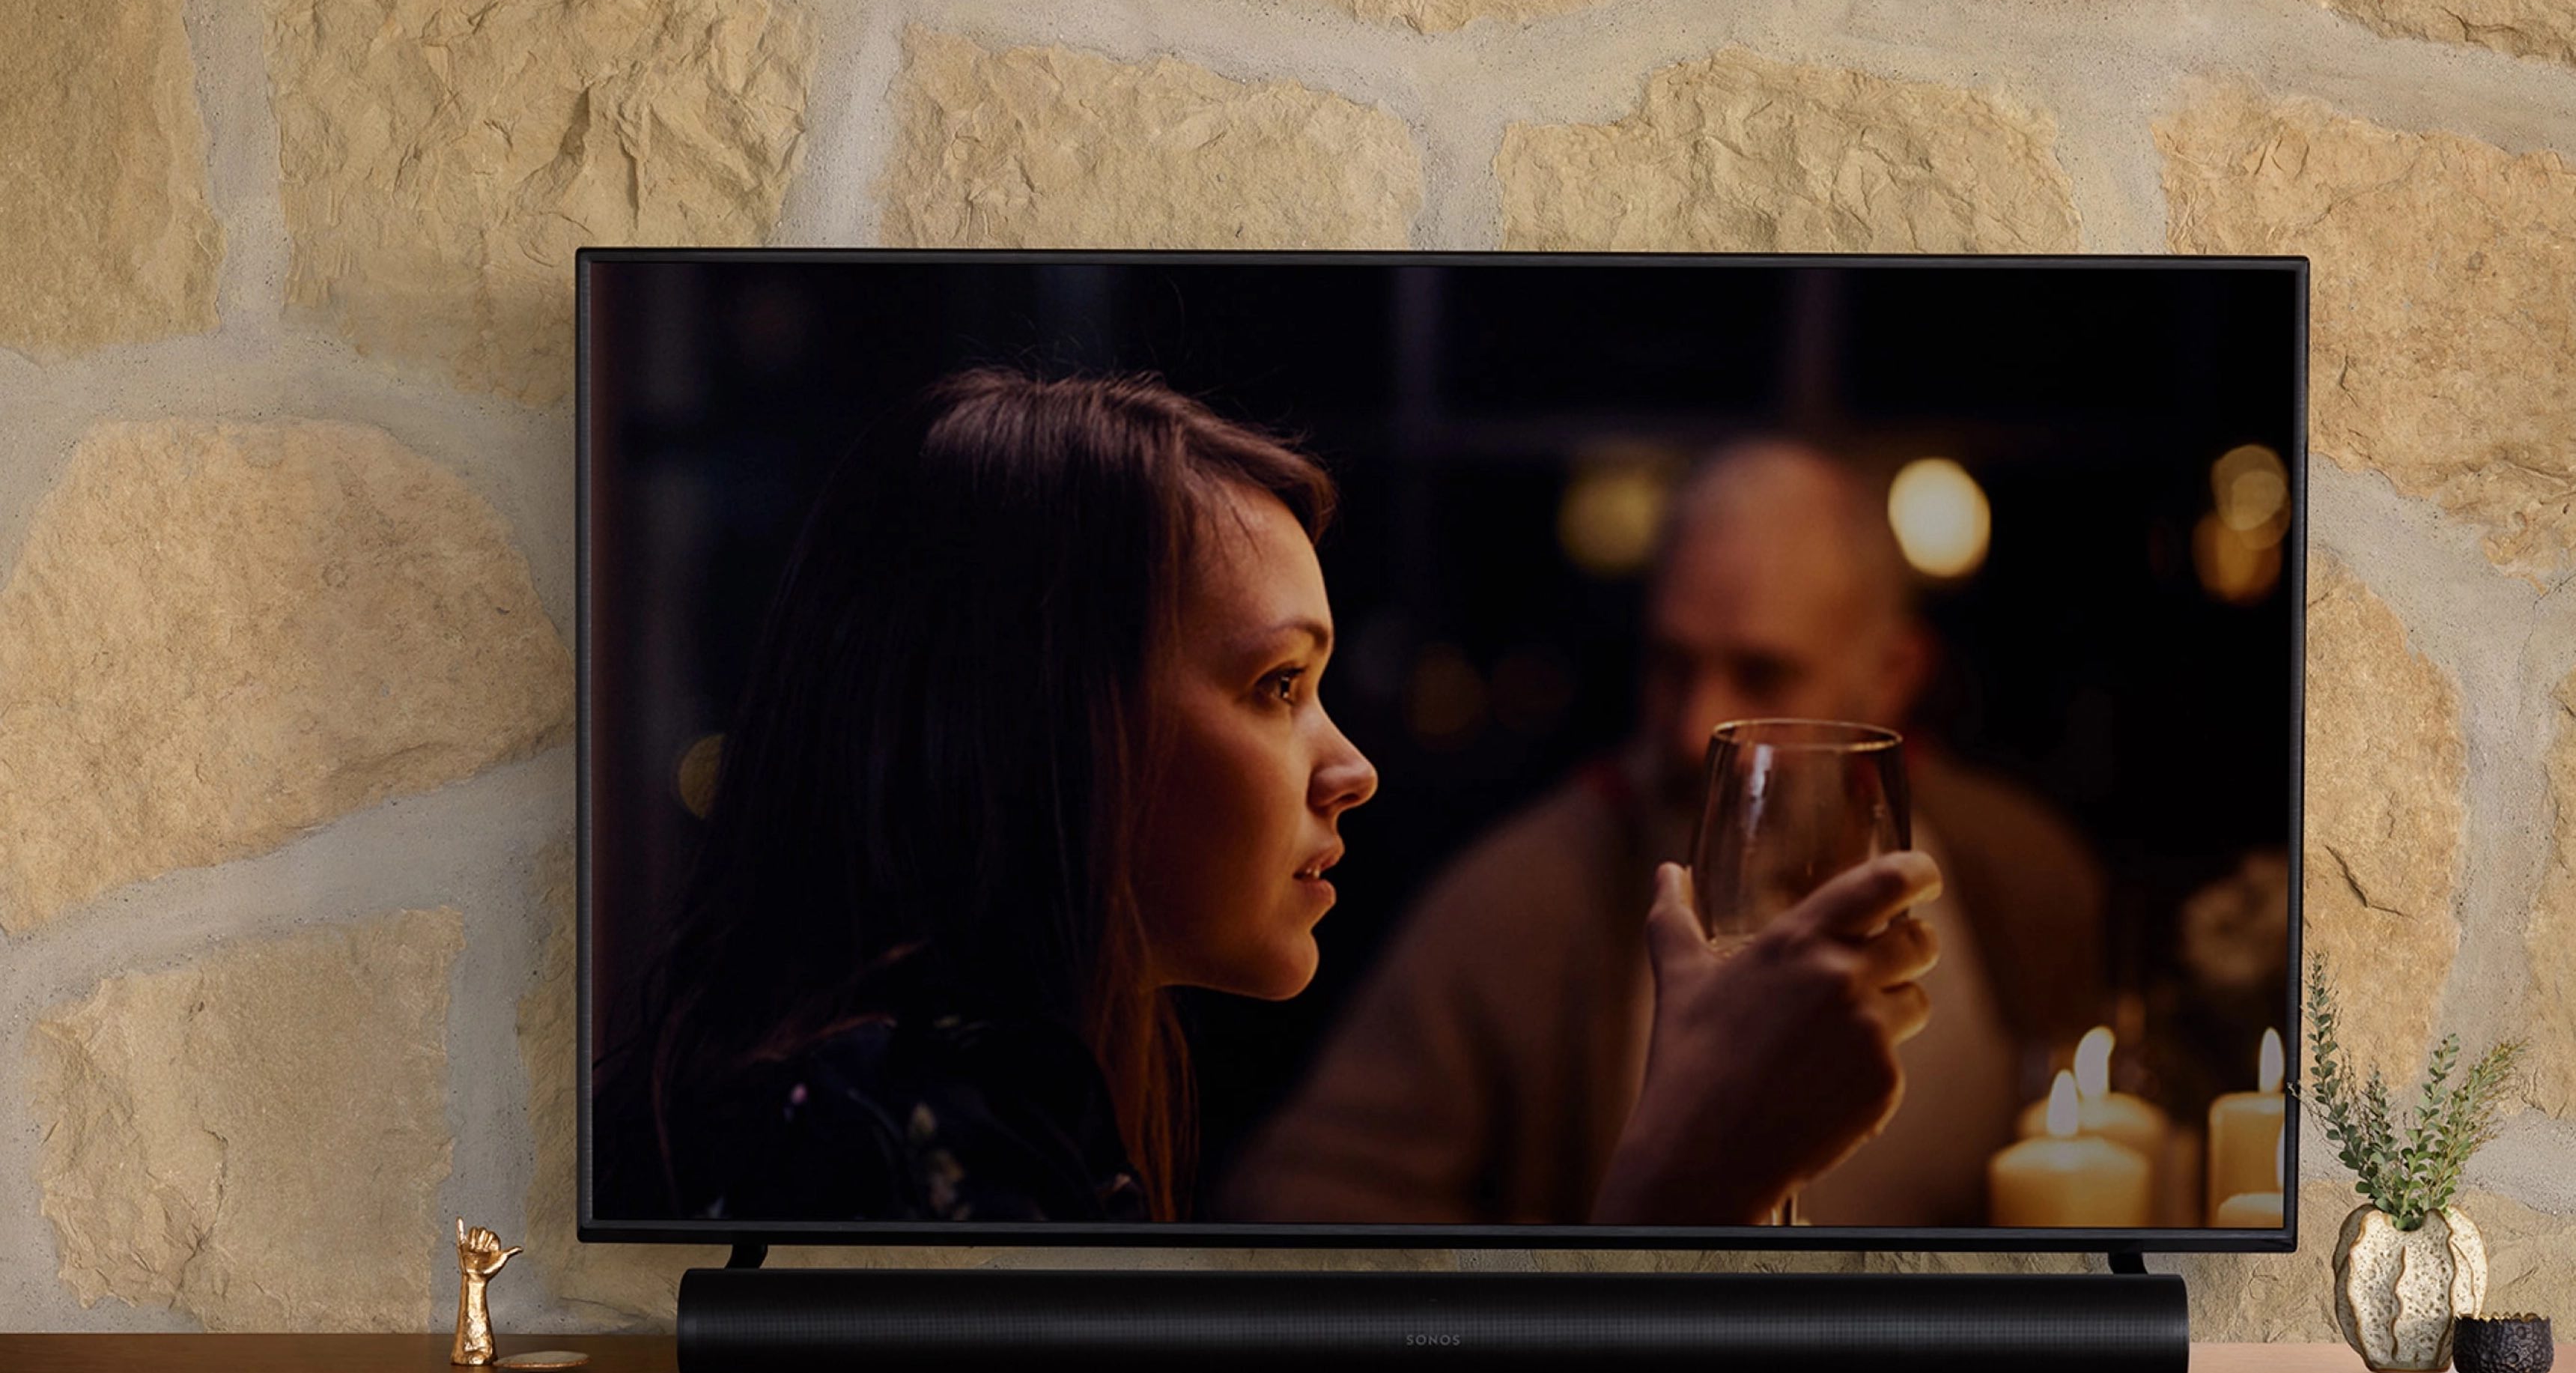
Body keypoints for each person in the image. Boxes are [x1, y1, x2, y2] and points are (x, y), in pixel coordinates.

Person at [599, 375, 1945, 1226]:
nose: (1352, 766)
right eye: (1276, 684)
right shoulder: (875, 1152)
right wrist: (1688, 1181)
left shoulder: (996, 1108)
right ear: (1051, 731)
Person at [1222, 439, 2106, 1228]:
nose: (1692, 731)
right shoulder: (1525, 902)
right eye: (1672, 665)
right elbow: (1290, 1203)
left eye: (1761, 673)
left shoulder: (2019, 874)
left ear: (1891, 674)